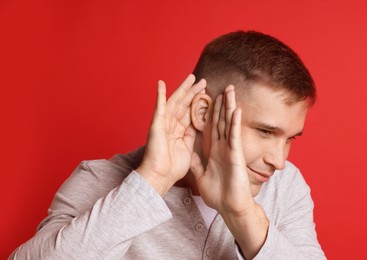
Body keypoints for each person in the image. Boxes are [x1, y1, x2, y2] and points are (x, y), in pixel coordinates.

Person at [10, 31, 326, 259]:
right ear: (204, 112)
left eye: (290, 139)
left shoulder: (285, 186)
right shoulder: (100, 179)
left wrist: (243, 214)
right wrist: (152, 182)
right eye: (265, 132)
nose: (279, 160)